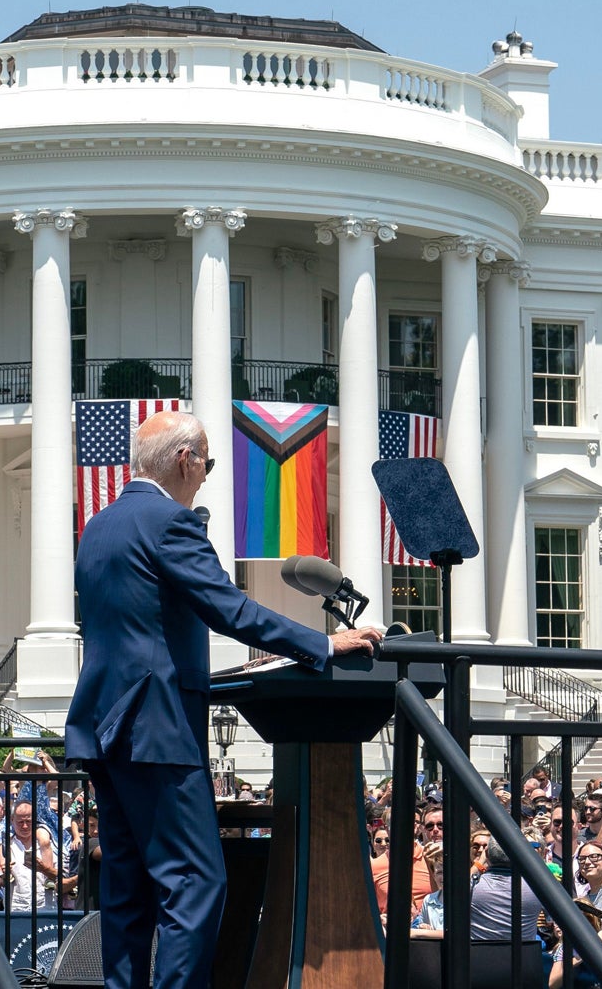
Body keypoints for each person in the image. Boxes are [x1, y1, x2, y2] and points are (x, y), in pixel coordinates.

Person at [63, 410, 381, 989]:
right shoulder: (171, 523)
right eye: (207, 463)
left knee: (126, 890)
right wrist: (323, 643)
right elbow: (230, 609)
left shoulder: (98, 525)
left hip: (102, 726)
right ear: (184, 460)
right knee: (196, 882)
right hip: (156, 725)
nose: (207, 474)